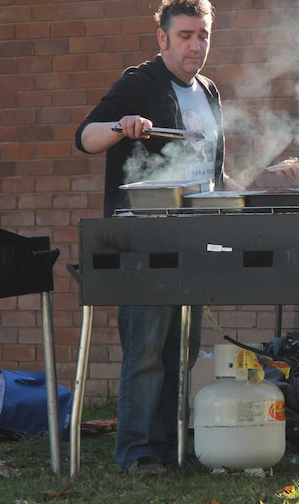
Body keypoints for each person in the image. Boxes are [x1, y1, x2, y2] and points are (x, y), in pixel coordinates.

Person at [75, 0, 237, 476]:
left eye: (203, 35)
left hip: (196, 237)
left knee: (182, 349)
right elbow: (85, 137)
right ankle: (138, 454)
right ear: (162, 39)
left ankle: (171, 450)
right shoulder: (138, 82)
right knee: (146, 347)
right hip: (144, 241)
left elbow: (213, 170)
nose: (196, 45)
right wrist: (120, 127)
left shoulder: (208, 90)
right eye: (186, 35)